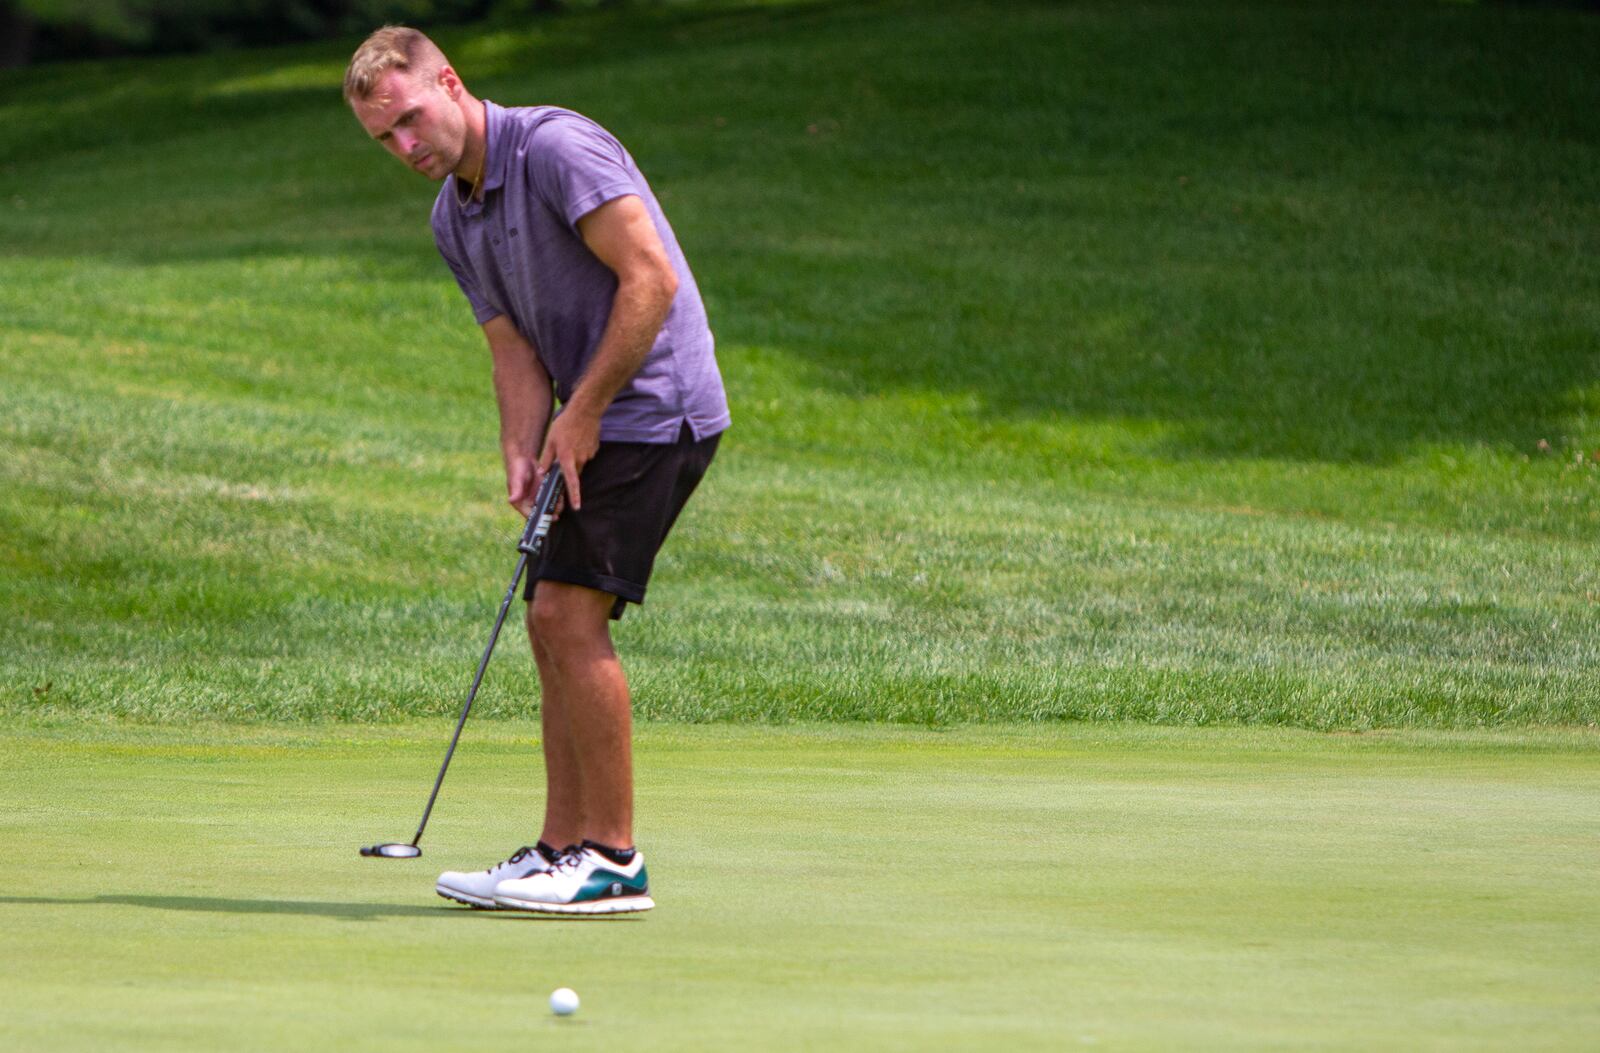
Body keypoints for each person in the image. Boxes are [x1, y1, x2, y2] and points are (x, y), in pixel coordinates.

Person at [343, 26, 728, 914]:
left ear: (449, 81)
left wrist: (581, 411)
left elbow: (651, 280)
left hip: (656, 406)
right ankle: (559, 849)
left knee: (566, 612)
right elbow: (510, 348)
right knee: (547, 623)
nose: (405, 146)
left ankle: (614, 858)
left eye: (409, 119)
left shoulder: (554, 147)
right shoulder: (454, 215)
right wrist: (523, 443)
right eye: (385, 139)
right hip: (593, 418)